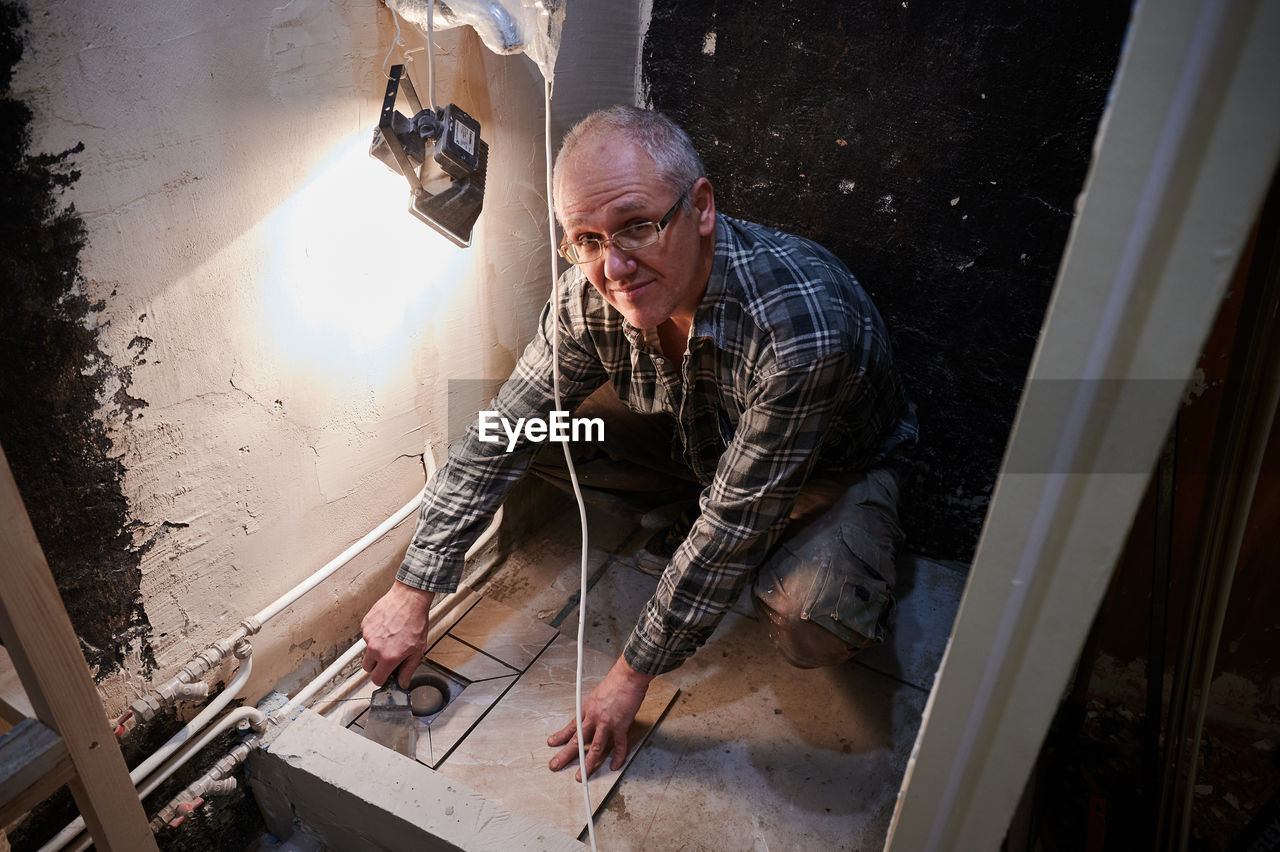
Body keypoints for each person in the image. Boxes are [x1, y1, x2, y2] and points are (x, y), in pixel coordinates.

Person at [360, 105, 917, 781]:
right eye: (586, 239)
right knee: (535, 431)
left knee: (812, 620)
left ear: (702, 207)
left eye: (638, 226)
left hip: (827, 469)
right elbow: (503, 432)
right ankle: (688, 520)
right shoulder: (587, 298)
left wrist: (631, 674)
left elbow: (733, 523)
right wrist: (412, 590)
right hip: (703, 436)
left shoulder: (800, 330)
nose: (614, 265)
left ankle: (811, 543)